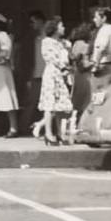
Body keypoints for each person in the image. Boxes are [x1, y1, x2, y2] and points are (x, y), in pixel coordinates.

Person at [38, 16, 73, 145]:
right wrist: (63, 67)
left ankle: (59, 133)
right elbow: (51, 58)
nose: (63, 28)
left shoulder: (62, 43)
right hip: (53, 73)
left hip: (61, 74)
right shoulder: (47, 42)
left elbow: (68, 56)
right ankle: (48, 133)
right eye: (61, 26)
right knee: (50, 104)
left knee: (59, 105)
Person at [19, 10, 46, 136]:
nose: (32, 24)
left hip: (47, 74)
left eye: (33, 21)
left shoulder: (48, 37)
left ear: (40, 20)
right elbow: (28, 58)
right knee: (32, 101)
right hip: (36, 74)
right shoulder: (33, 38)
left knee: (47, 103)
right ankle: (24, 128)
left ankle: (47, 128)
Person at [68, 22, 95, 116]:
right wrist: (94, 63)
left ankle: (73, 120)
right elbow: (84, 63)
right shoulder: (84, 45)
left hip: (77, 74)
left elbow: (73, 57)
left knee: (77, 99)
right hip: (84, 75)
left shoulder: (76, 43)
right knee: (86, 98)